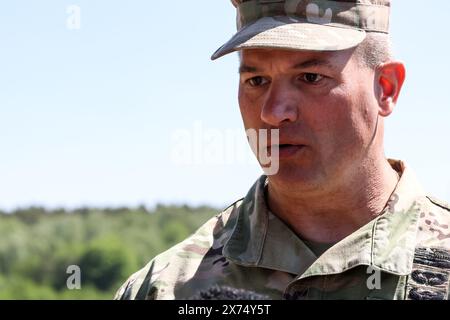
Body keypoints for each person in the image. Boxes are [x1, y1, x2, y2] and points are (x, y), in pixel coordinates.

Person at [115, 0, 450, 300]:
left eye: (310, 77)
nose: (273, 112)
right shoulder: (166, 288)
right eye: (256, 81)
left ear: (386, 88)